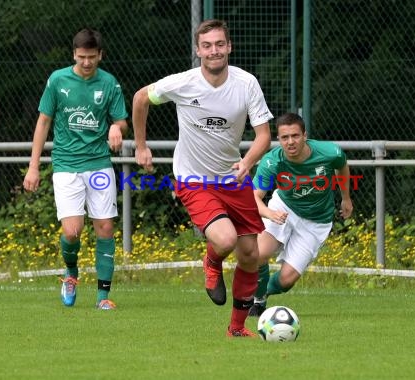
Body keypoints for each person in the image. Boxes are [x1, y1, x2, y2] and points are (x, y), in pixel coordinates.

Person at [132, 19, 273, 337]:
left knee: (251, 254)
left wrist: (248, 161)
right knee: (225, 239)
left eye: (220, 44)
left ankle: (236, 329)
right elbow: (141, 98)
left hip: (233, 178)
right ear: (198, 50)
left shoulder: (246, 83)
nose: (214, 51)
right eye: (207, 45)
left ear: (229, 47)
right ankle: (211, 263)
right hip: (193, 179)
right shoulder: (183, 83)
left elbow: (264, 135)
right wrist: (141, 146)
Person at [23, 28, 129, 310]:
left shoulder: (109, 84)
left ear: (100, 55)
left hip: (98, 164)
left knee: (105, 227)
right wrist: (33, 166)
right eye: (81, 57)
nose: (86, 62)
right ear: (74, 54)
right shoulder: (58, 80)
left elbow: (121, 121)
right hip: (66, 164)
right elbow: (43, 122)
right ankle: (70, 274)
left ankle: (102, 296)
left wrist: (115, 128)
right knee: (72, 231)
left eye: (91, 57)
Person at [248, 112, 353, 317]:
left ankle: (264, 290)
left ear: (305, 135)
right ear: (279, 139)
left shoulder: (330, 152)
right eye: (285, 137)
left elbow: (342, 167)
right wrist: (269, 213)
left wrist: (346, 198)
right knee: (259, 254)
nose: (290, 142)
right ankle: (257, 301)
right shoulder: (272, 161)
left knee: (286, 281)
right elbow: (253, 198)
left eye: (295, 136)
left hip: (316, 221)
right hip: (283, 208)